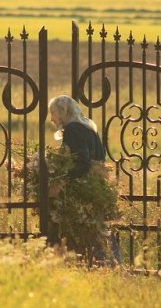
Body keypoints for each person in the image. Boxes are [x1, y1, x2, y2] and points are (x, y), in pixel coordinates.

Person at [48, 95, 122, 265]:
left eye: (53, 113)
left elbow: (83, 162)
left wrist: (63, 180)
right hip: (96, 185)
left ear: (63, 112)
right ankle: (112, 264)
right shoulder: (87, 127)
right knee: (99, 227)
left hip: (85, 187)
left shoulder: (73, 129)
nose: (51, 119)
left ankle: (107, 264)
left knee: (91, 229)